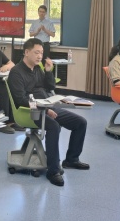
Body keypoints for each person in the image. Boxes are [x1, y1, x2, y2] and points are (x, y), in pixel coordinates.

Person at [7, 38, 89, 187]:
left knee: (80, 123)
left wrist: (48, 71)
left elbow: (50, 87)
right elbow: (21, 100)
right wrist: (44, 108)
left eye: (41, 53)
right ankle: (53, 170)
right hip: (29, 112)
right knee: (53, 126)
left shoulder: (37, 68)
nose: (40, 56)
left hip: (47, 107)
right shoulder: (16, 72)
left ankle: (71, 159)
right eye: (36, 52)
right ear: (26, 52)